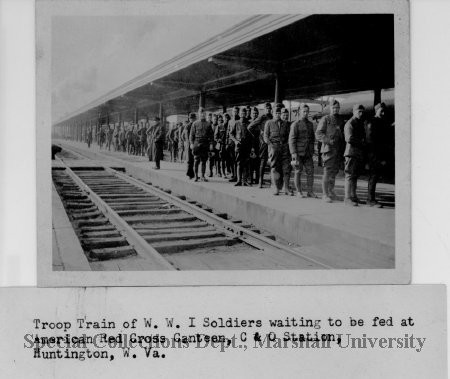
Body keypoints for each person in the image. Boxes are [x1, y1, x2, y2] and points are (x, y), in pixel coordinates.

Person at [315, 100, 345, 203]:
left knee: (334, 172)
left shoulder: (341, 120)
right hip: (328, 149)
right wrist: (328, 140)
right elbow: (318, 133)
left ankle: (331, 191)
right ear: (330, 108)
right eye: (333, 108)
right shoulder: (325, 119)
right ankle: (325, 194)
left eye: (337, 108)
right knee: (327, 172)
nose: (335, 109)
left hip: (338, 150)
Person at [289, 104, 317, 198]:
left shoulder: (310, 124)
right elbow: (292, 140)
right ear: (300, 112)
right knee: (298, 171)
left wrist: (312, 150)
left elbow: (312, 139)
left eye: (307, 111)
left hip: (308, 153)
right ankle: (299, 191)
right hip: (298, 153)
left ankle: (310, 191)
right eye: (304, 111)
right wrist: (293, 153)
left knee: (310, 171)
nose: (305, 113)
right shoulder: (295, 124)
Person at [264, 106, 292, 195]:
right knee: (274, 168)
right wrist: (271, 146)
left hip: (284, 148)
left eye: (279, 113)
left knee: (286, 168)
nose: (278, 115)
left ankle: (286, 188)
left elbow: (289, 136)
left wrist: (287, 146)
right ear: (273, 113)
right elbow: (265, 137)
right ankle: (275, 187)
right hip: (274, 147)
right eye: (276, 113)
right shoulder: (269, 123)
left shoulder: (285, 124)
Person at [365, 102, 389, 207]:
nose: (383, 113)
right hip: (373, 154)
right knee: (373, 176)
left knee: (375, 176)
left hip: (377, 153)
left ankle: (371, 199)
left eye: (384, 111)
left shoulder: (379, 121)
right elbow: (371, 141)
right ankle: (370, 200)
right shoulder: (372, 122)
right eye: (381, 111)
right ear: (376, 110)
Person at [343, 104, 366, 206]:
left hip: (357, 153)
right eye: (359, 111)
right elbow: (349, 138)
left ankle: (353, 196)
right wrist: (362, 142)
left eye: (362, 112)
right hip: (351, 153)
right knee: (349, 175)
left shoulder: (358, 123)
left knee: (354, 175)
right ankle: (347, 198)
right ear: (354, 112)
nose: (361, 114)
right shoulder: (350, 123)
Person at [248, 102, 273, 187]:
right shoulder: (262, 118)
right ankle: (260, 181)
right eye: (267, 108)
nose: (268, 110)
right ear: (264, 109)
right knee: (262, 161)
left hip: (272, 142)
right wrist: (259, 134)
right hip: (263, 143)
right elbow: (250, 127)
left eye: (269, 108)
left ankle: (273, 182)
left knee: (273, 162)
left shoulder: (272, 117)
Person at [190, 107, 213, 182]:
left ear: (205, 114)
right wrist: (191, 143)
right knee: (196, 160)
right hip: (197, 143)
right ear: (199, 114)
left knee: (204, 160)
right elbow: (191, 135)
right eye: (201, 113)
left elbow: (211, 136)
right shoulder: (195, 123)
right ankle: (196, 176)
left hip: (205, 144)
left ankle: (202, 176)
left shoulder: (208, 124)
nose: (202, 115)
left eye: (203, 113)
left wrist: (211, 144)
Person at [230, 107, 251, 186]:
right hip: (239, 146)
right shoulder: (236, 123)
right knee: (239, 163)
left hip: (246, 146)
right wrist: (235, 141)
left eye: (244, 114)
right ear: (240, 114)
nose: (243, 115)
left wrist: (251, 147)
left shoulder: (249, 123)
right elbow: (231, 134)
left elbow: (251, 136)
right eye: (241, 113)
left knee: (245, 163)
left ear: (246, 114)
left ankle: (244, 180)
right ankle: (239, 180)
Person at [226, 107, 239, 182]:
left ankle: (237, 176)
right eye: (234, 111)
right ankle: (234, 175)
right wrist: (227, 143)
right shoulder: (230, 121)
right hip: (231, 143)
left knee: (237, 160)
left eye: (237, 111)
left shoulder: (239, 120)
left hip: (237, 142)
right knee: (232, 160)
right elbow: (228, 132)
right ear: (232, 112)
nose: (235, 112)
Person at [214, 113, 227, 178]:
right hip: (219, 145)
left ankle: (223, 172)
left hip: (224, 145)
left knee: (223, 159)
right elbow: (215, 137)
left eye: (222, 121)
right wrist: (219, 141)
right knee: (218, 159)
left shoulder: (226, 127)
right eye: (219, 120)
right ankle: (218, 172)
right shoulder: (218, 127)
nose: (221, 122)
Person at [184, 114, 196, 179]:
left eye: (193, 118)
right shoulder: (188, 126)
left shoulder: (194, 125)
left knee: (193, 160)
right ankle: (189, 174)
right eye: (191, 118)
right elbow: (187, 136)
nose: (192, 119)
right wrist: (189, 143)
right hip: (190, 144)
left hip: (193, 144)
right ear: (189, 119)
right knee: (190, 159)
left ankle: (192, 174)